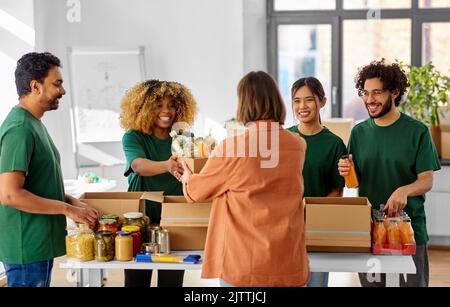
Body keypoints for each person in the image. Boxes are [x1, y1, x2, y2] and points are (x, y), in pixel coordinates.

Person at [179, 71, 310, 287]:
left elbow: (197, 191)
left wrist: (187, 175)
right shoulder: (298, 145)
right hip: (288, 260)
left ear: (244, 103)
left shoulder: (232, 147)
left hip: (245, 264)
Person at [338, 59, 441, 287]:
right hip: (369, 231)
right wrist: (346, 171)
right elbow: (353, 182)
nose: (369, 100)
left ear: (394, 92)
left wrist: (404, 190)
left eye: (376, 93)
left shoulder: (418, 132)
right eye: (365, 93)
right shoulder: (359, 132)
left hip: (408, 231)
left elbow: (426, 180)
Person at [0, 52, 99, 287]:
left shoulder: (34, 124)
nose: (62, 91)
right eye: (57, 84)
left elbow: (39, 183)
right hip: (27, 246)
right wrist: (67, 209)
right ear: (35, 86)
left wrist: (73, 203)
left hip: (38, 244)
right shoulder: (19, 129)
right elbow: (10, 194)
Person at [120, 79, 197, 287]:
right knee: (137, 281)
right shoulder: (133, 137)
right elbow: (138, 165)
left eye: (172, 105)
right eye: (159, 105)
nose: (167, 110)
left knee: (171, 281)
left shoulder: (184, 137)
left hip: (174, 218)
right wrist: (167, 165)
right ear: (144, 108)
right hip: (140, 219)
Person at [287, 77, 347, 287]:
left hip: (316, 228)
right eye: (296, 101)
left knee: (317, 284)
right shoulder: (284, 140)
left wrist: (309, 212)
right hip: (284, 228)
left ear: (322, 102)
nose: (302, 106)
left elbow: (336, 191)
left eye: (309, 100)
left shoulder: (334, 144)